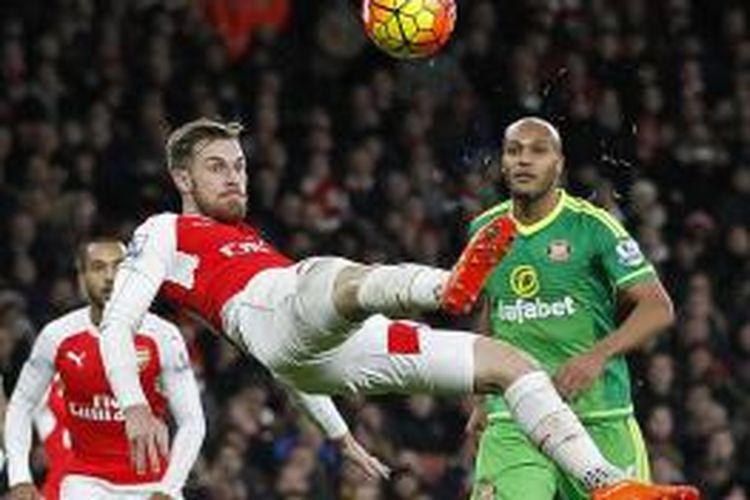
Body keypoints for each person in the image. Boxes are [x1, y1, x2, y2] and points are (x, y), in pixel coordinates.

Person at [100, 118, 697, 499]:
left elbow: (289, 359)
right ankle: (446, 288)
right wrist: (132, 405)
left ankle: (608, 486)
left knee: (511, 363)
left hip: (318, 354)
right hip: (280, 309)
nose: (235, 177)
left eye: (239, 165)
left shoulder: (249, 240)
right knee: (326, 275)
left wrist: (340, 436)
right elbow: (117, 324)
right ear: (181, 176)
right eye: (216, 167)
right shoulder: (165, 230)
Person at [466, 116, 685, 499]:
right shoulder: (484, 229)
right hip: (513, 415)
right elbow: (492, 311)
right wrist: (484, 397)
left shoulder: (594, 227)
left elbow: (658, 307)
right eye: (514, 151)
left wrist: (597, 356)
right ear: (502, 162)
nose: (523, 160)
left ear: (559, 163)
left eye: (538, 150)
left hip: (596, 414)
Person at [4, 239, 205, 500]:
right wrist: (19, 477)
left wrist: (170, 487)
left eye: (119, 267)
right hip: (85, 484)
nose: (110, 277)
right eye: (98, 268)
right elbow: (21, 403)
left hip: (153, 484)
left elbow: (192, 420)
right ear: (81, 277)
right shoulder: (57, 336)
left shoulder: (164, 336)